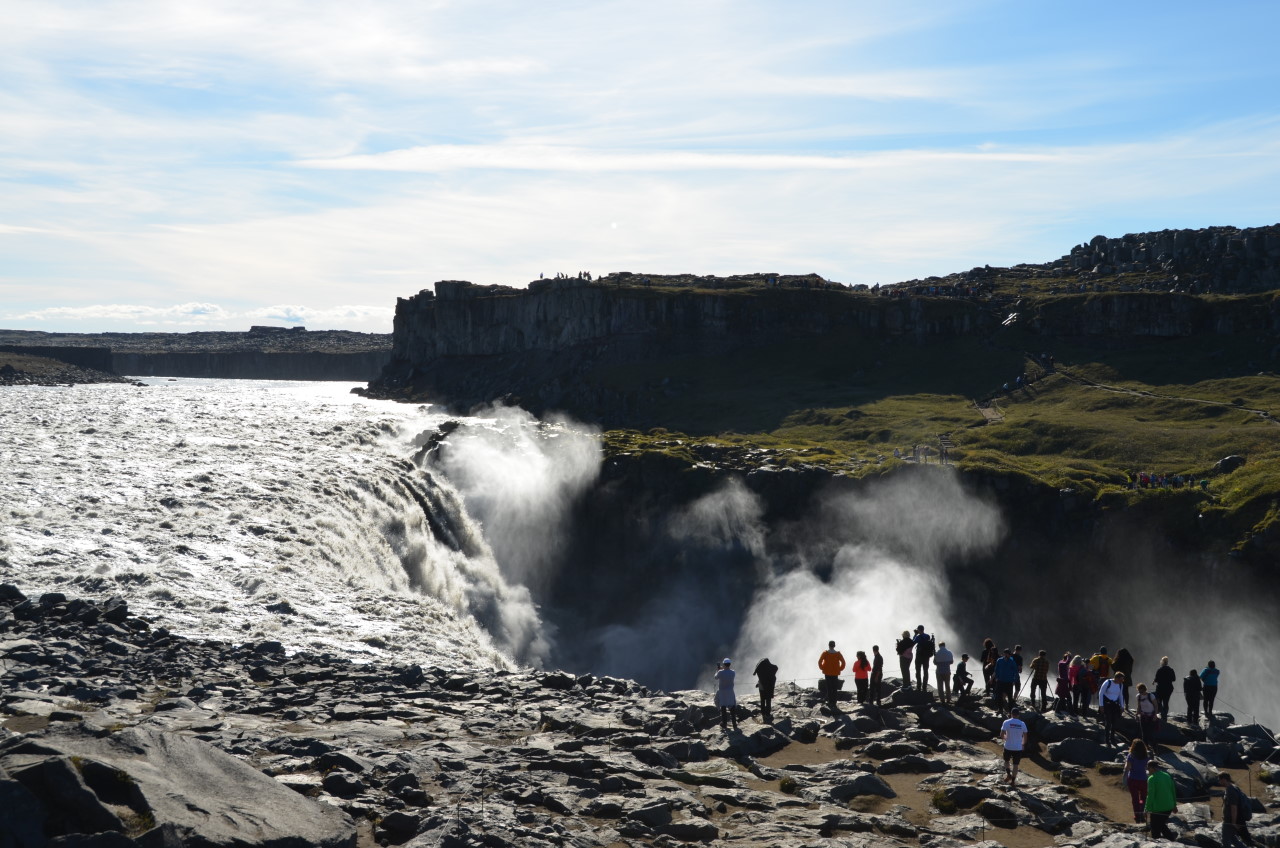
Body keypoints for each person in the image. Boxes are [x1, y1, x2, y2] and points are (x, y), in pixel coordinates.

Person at [1219, 773, 1252, 848]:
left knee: (1225, 841)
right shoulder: (1233, 788)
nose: (1219, 782)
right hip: (1230, 820)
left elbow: (1234, 808)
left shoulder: (1231, 790)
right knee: (1233, 839)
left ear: (1224, 779)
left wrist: (1234, 823)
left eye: (1220, 780)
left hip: (1230, 821)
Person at [1145, 761, 1177, 840]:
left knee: (1155, 827)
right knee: (1161, 824)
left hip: (1158, 808)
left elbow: (1151, 795)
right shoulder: (1167, 775)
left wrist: (1147, 808)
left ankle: (1158, 842)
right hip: (1169, 807)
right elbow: (1173, 790)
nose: (1147, 770)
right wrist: (1174, 805)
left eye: (1148, 768)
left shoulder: (1152, 778)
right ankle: (1171, 840)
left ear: (1152, 768)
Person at [1123, 739, 1150, 823]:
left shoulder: (1131, 755)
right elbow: (1147, 768)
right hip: (1143, 780)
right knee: (1143, 798)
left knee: (1135, 798)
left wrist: (1124, 778)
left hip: (1133, 779)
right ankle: (1142, 812)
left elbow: (1127, 768)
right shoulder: (1146, 755)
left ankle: (1137, 815)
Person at [1000, 706, 1029, 786]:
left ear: (1011, 714)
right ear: (1018, 715)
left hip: (1008, 746)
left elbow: (1002, 735)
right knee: (1016, 765)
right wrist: (1023, 744)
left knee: (1006, 761)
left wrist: (1006, 738)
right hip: (1018, 747)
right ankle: (1013, 781)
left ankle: (1008, 774)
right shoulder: (1022, 724)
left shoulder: (1006, 722)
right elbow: (1025, 736)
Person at [1099, 672, 1128, 746]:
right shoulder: (1108, 682)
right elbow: (1101, 693)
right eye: (1121, 679)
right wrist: (1101, 705)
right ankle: (1107, 739)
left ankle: (1113, 739)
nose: (1122, 681)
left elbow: (1121, 695)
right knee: (1108, 722)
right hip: (1107, 704)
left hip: (1115, 705)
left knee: (1114, 722)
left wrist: (1122, 706)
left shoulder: (1121, 685)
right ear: (1116, 678)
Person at [819, 641, 846, 713]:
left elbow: (820, 661)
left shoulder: (825, 653)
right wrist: (839, 669)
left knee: (829, 687)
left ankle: (830, 702)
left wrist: (823, 668)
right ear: (834, 646)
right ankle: (834, 702)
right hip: (835, 673)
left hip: (827, 673)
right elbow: (843, 662)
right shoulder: (838, 654)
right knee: (834, 688)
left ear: (829, 645)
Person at [714, 659, 738, 729]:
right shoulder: (733, 672)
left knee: (723, 708)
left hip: (722, 692)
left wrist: (718, 670)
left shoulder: (720, 672)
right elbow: (727, 672)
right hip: (730, 692)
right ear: (730, 664)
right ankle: (734, 724)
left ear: (724, 664)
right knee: (732, 708)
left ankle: (724, 723)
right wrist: (722, 669)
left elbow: (715, 677)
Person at [753, 657, 778, 721]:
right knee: (768, 700)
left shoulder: (760, 669)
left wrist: (758, 684)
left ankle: (763, 713)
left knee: (762, 700)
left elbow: (761, 678)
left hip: (761, 686)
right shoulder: (772, 670)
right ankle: (767, 715)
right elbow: (776, 668)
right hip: (768, 688)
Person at [1153, 657, 1176, 722]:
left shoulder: (1159, 670)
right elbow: (1174, 679)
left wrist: (1155, 680)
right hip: (1168, 688)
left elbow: (1157, 679)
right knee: (1166, 702)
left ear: (1162, 662)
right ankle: (1164, 716)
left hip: (1160, 688)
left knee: (1159, 702)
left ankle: (1160, 714)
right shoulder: (1171, 669)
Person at [912, 625, 934, 692]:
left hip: (919, 656)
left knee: (918, 671)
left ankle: (918, 687)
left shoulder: (918, 637)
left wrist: (915, 634)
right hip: (926, 657)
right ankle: (924, 687)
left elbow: (913, 642)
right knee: (925, 671)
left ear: (919, 630)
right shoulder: (927, 636)